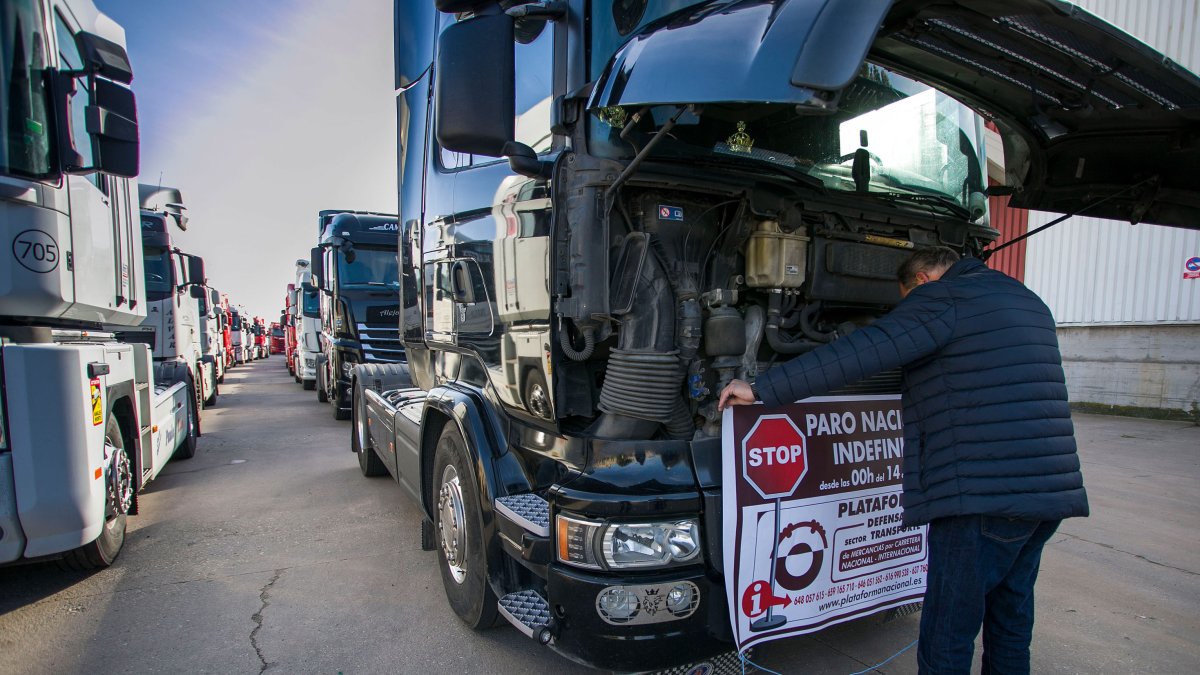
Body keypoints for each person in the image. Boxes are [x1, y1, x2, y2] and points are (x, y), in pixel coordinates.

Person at [719, 246, 1088, 674]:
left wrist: (763, 387)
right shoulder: (1026, 298)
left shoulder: (943, 298)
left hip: (982, 498)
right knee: (1011, 618)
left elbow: (862, 351)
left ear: (923, 282)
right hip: (1047, 493)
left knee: (948, 631)